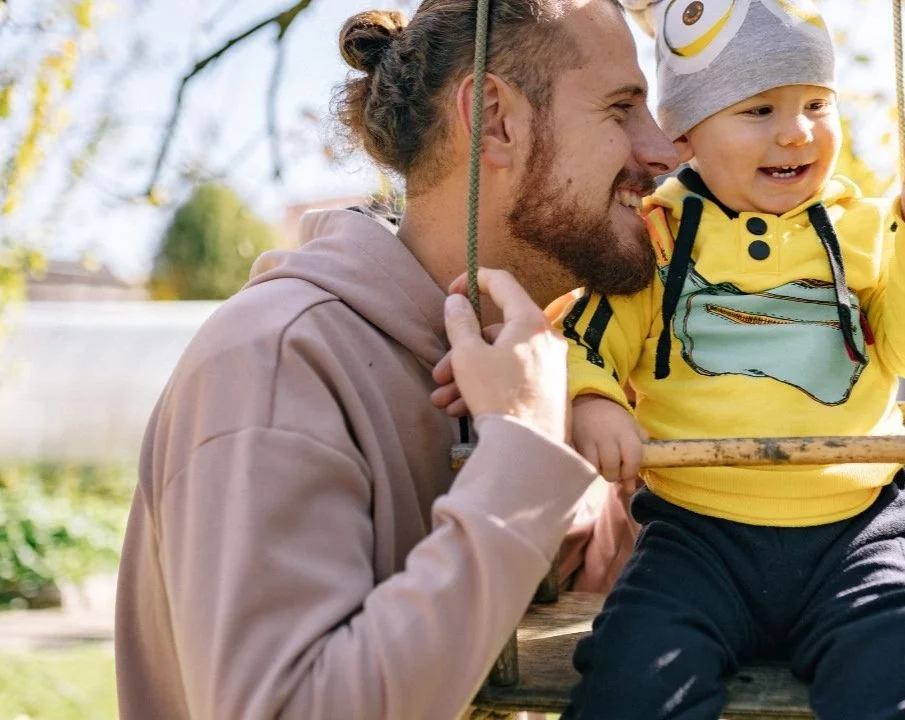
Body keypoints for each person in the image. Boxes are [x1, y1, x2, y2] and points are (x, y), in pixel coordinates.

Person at [113, 0, 680, 717]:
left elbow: (581, 609)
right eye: (622, 107)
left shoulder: (537, 366)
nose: (665, 150)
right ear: (496, 119)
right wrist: (522, 453)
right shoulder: (277, 360)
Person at [554, 0, 905, 716]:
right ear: (686, 131)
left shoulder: (866, 227)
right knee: (634, 684)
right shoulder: (655, 237)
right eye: (757, 110)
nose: (796, 131)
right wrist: (591, 399)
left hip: (857, 534)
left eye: (816, 103)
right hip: (695, 536)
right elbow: (586, 340)